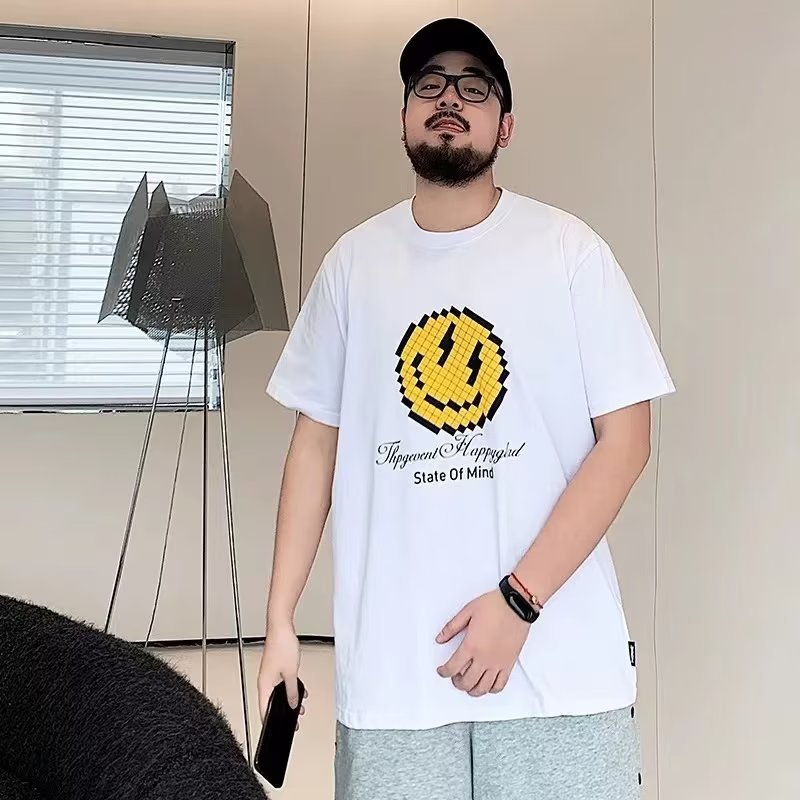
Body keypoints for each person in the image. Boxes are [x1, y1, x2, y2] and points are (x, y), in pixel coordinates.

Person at [258, 16, 674, 800]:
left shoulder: (569, 252)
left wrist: (520, 601)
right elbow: (314, 447)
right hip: (396, 682)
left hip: (559, 675)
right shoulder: (353, 266)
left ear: (504, 126)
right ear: (404, 118)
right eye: (430, 85)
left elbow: (626, 441)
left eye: (474, 88)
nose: (450, 98)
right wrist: (280, 619)